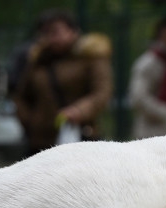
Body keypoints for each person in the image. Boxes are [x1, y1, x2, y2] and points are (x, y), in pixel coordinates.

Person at [12, 8, 113, 156]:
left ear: (74, 31)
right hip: (39, 142)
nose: (50, 38)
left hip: (80, 137)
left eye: (56, 31)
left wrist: (79, 111)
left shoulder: (91, 57)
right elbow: (21, 96)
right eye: (45, 33)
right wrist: (30, 121)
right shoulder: (37, 61)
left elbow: (102, 92)